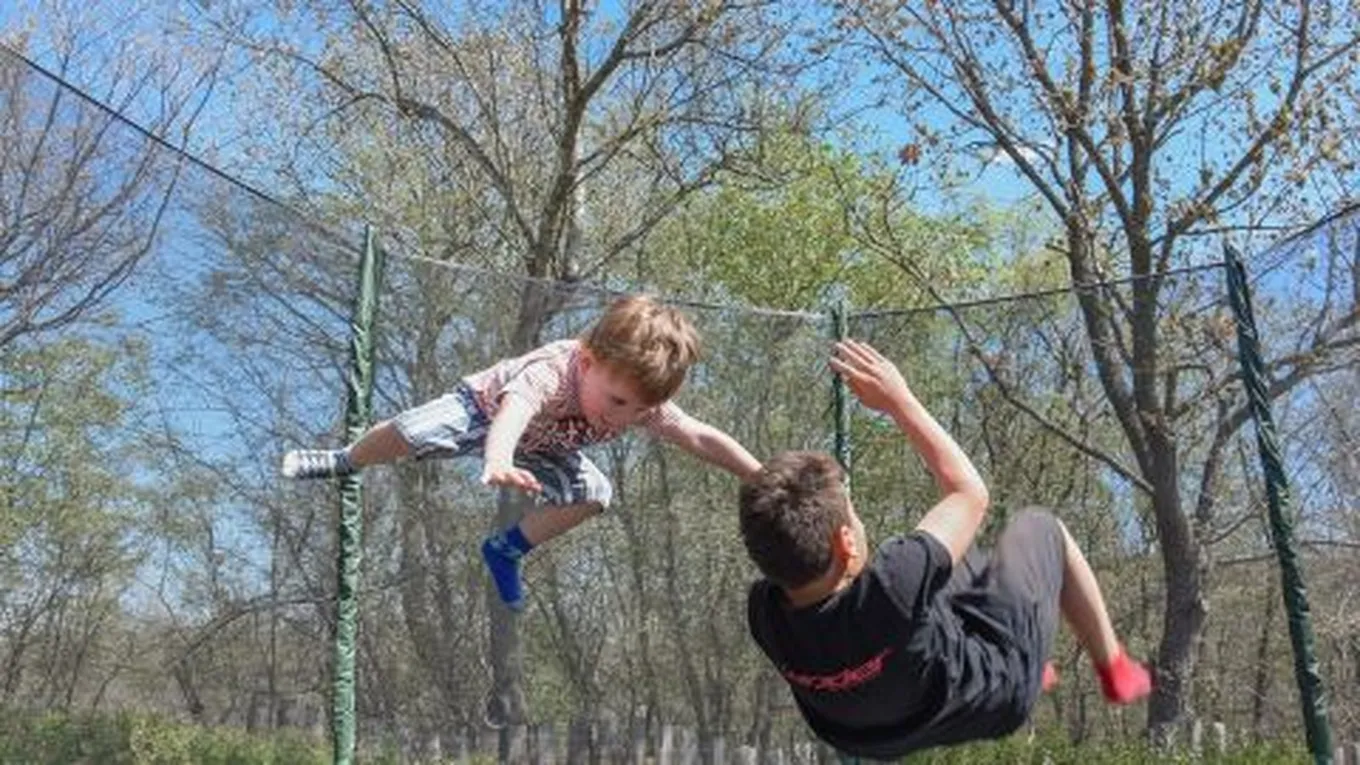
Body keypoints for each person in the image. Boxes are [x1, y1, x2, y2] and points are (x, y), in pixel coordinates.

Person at [738, 339, 1151, 761]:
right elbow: (969, 493)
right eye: (853, 515)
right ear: (845, 542)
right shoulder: (894, 583)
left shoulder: (765, 614)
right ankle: (1114, 669)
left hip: (863, 736)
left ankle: (1022, 641)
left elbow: (776, 525)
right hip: (996, 699)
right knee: (1043, 529)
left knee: (965, 566)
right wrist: (899, 400)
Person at [283, 294, 762, 611]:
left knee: (596, 493)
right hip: (484, 413)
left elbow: (697, 435)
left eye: (641, 409)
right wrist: (498, 458)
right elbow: (515, 409)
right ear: (588, 362)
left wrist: (758, 475)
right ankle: (345, 460)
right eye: (617, 402)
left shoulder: (636, 402)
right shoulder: (554, 371)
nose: (623, 418)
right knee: (410, 431)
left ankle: (506, 549)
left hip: (545, 445)